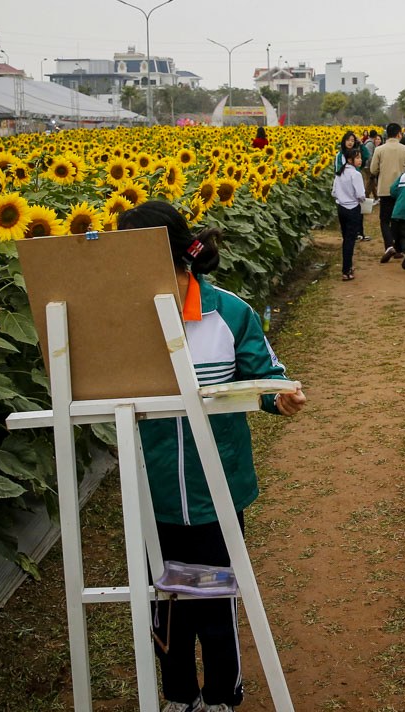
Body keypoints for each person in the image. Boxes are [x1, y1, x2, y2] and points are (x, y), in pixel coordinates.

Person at [116, 201, 307, 712]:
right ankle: (179, 697)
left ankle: (223, 696)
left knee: (214, 598)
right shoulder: (120, 322)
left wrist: (278, 395)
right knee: (166, 604)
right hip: (151, 490)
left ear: (174, 252)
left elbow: (264, 372)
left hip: (217, 490)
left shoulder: (228, 312)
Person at [369, 123, 405, 263]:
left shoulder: (379, 149)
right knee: (398, 219)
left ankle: (389, 246)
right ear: (399, 134)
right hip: (402, 189)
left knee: (384, 219)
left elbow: (373, 170)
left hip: (385, 189)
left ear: (386, 134)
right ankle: (399, 249)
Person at [332, 148, 366, 281]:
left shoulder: (339, 172)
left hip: (341, 208)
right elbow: (361, 195)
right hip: (352, 208)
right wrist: (361, 200)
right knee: (350, 240)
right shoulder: (355, 175)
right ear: (350, 160)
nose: (360, 160)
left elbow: (334, 192)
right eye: (357, 158)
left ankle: (348, 267)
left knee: (346, 238)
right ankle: (346, 270)